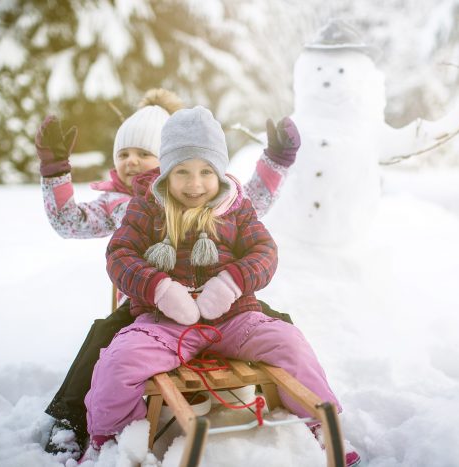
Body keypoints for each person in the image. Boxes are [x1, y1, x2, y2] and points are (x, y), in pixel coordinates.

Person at [81, 106, 360, 466]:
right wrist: (160, 289)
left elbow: (265, 252)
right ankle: (111, 441)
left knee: (290, 342)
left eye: (205, 172)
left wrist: (232, 283)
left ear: (220, 172)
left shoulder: (236, 207)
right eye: (182, 172)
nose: (194, 184)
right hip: (164, 325)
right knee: (117, 363)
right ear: (166, 172)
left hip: (234, 319)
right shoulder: (147, 207)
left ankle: (323, 424)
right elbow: (119, 255)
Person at [34, 89, 300, 456]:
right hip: (147, 305)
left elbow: (252, 201)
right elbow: (70, 222)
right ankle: (71, 419)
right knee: (103, 338)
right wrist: (56, 171)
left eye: (143, 153)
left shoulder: (209, 192)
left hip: (217, 302)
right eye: (123, 154)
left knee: (279, 322)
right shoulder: (119, 204)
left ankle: (290, 398)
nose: (131, 162)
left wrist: (275, 161)